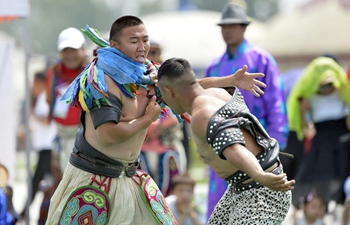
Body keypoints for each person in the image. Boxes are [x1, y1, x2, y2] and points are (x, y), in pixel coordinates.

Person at [45, 16, 266, 224]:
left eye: (145, 40)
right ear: (114, 45)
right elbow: (108, 133)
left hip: (131, 176)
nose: (142, 47)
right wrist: (147, 119)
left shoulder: (148, 74)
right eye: (134, 41)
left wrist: (231, 79)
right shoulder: (101, 79)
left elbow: (188, 86)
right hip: (94, 180)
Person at [157, 57, 294, 224]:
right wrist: (231, 80)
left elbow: (235, 148)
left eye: (163, 94)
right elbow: (194, 84)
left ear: (170, 92)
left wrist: (260, 176)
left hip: (260, 191)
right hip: (241, 188)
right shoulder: (216, 92)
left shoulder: (203, 114)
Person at [204, 3, 289, 217]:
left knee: (256, 210)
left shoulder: (262, 59)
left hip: (256, 145)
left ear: (244, 27)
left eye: (233, 25)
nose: (227, 30)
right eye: (224, 26)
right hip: (221, 146)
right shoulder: (214, 67)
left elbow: (276, 104)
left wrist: (275, 149)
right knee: (218, 210)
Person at [288, 57, 350, 207]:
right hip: (321, 145)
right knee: (312, 179)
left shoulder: (343, 95)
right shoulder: (310, 99)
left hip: (342, 143)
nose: (327, 89)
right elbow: (307, 131)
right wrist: (303, 112)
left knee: (343, 181)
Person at [46, 27, 89, 173]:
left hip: (85, 141)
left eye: (74, 49)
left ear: (83, 49)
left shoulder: (91, 73)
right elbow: (49, 101)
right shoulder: (54, 73)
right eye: (66, 50)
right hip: (60, 138)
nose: (70, 55)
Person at [20, 71, 58, 217]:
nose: (33, 86)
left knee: (36, 182)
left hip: (48, 148)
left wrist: (33, 115)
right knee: (50, 183)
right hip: (42, 147)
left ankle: (22, 214)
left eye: (35, 82)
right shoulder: (40, 99)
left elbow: (48, 121)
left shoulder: (47, 98)